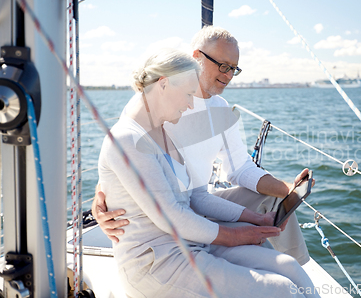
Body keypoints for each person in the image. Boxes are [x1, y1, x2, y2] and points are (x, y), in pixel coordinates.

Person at [98, 48, 319, 297]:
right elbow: (171, 216)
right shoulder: (127, 138)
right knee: (283, 290)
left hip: (193, 246)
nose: (191, 103)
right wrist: (235, 236)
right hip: (157, 263)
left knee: (289, 267)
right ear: (163, 85)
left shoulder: (163, 133)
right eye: (188, 94)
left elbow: (196, 197)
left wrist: (256, 220)